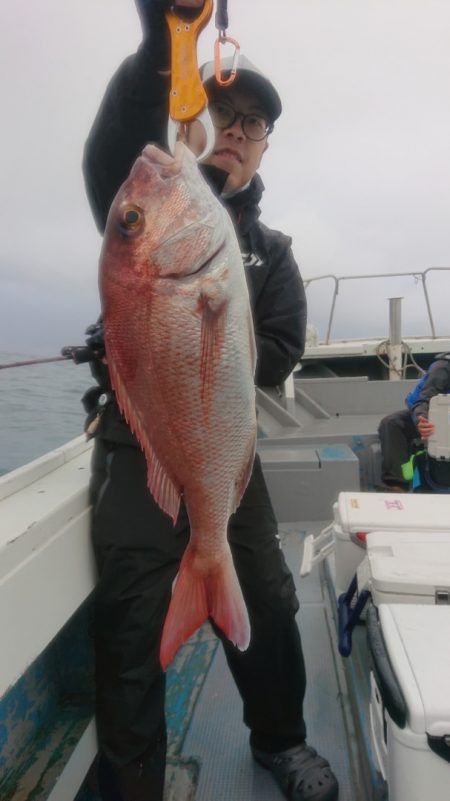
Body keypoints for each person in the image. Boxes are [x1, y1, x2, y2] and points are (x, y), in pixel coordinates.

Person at [81, 2, 339, 800]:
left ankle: (281, 739)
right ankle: (134, 784)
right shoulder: (149, 194)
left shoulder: (271, 251)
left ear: (265, 146)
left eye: (252, 123)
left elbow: (285, 349)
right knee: (128, 617)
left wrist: (225, 344)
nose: (235, 129)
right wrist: (166, 34)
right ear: (196, 117)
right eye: (225, 112)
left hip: (225, 447)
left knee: (264, 588)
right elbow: (115, 140)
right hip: (137, 441)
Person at [377, 352, 450, 491]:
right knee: (392, 423)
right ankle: (397, 485)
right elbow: (424, 400)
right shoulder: (443, 368)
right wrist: (422, 421)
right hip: (435, 420)